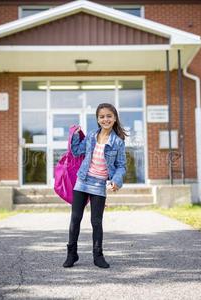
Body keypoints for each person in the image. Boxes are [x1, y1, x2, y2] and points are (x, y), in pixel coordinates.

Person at [63, 103, 127, 269]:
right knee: (75, 218)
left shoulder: (118, 142)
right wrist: (75, 135)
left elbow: (121, 166)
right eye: (102, 116)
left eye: (108, 116)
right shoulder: (91, 136)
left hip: (99, 184)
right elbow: (77, 151)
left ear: (114, 118)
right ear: (97, 119)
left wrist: (116, 180)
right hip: (82, 180)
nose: (105, 119)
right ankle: (72, 253)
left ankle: (98, 256)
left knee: (96, 221)